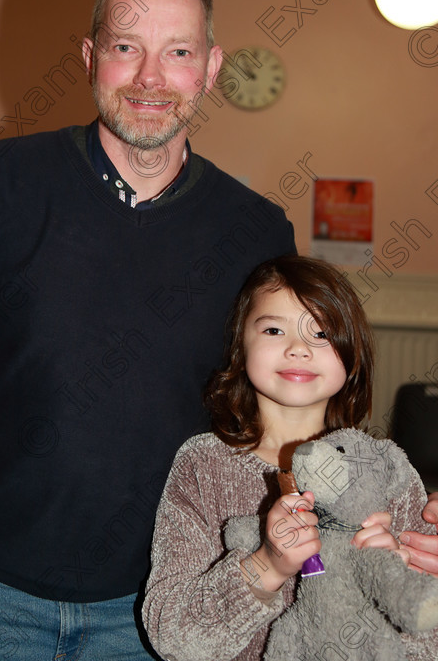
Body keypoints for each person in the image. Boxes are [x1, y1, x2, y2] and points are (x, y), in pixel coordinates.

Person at [0, 0, 436, 660]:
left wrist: (395, 519)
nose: (149, 78)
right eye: (125, 48)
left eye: (177, 52)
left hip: (158, 607)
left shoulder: (256, 229)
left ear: (209, 67)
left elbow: (290, 411)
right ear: (89, 58)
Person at [142, 255, 438, 661]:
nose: (298, 348)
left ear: (351, 356)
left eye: (321, 333)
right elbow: (172, 637)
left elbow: (428, 639)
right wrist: (266, 566)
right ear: (241, 345)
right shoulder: (201, 466)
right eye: (275, 329)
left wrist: (387, 579)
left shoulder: (387, 471)